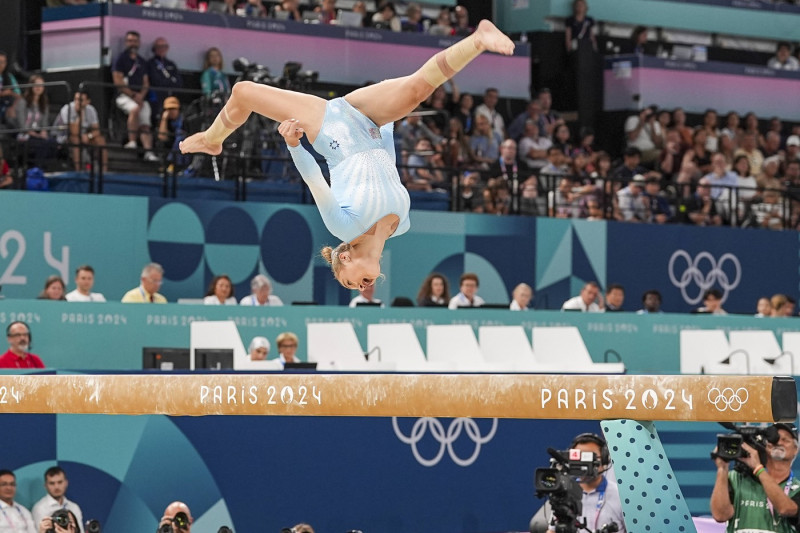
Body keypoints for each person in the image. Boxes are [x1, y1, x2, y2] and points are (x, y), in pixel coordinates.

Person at [180, 20, 515, 289]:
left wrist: (294, 145)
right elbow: (388, 167)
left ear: (345, 260)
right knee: (416, 91)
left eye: (350, 283)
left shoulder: (344, 228)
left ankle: (212, 139)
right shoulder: (403, 226)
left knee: (243, 91)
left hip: (330, 128)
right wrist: (388, 125)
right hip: (369, 123)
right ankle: (479, 39)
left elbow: (313, 179)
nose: (359, 286)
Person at [711, 423, 800, 533]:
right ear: (766, 446)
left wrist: (758, 468)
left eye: (785, 440)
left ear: (796, 449)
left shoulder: (797, 489)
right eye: (774, 439)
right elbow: (720, 515)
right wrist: (722, 469)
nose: (779, 442)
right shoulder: (735, 479)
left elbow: (786, 509)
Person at [530, 433, 626, 533]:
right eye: (579, 457)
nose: (584, 464)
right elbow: (553, 530)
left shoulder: (621, 496)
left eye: (590, 457)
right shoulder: (564, 494)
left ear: (605, 459)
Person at [112, 31, 158, 162]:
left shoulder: (142, 61)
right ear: (126, 42)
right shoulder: (120, 59)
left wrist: (141, 96)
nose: (132, 43)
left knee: (145, 124)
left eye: (135, 40)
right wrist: (133, 95)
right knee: (134, 109)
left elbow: (146, 82)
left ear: (139, 42)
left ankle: (148, 152)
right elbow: (118, 81)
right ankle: (132, 141)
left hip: (140, 98)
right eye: (130, 40)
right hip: (124, 96)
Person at [53, 90, 108, 173]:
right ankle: (78, 172)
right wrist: (81, 115)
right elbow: (74, 131)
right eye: (76, 99)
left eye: (80, 100)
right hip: (63, 137)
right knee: (76, 139)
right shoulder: (67, 109)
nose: (77, 102)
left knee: (100, 140)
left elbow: (97, 130)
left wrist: (89, 136)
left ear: (88, 102)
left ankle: (104, 172)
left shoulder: (91, 110)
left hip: (83, 136)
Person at [146, 37, 183, 121]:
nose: (161, 49)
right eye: (159, 47)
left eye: (164, 46)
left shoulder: (171, 64)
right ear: (154, 49)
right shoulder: (150, 63)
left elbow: (179, 82)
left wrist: (167, 82)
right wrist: (170, 81)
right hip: (156, 97)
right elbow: (155, 81)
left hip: (171, 95)